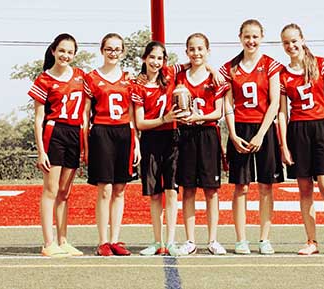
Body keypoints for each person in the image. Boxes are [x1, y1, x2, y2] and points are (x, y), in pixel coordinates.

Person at [278, 23, 324, 255]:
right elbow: (282, 112)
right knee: (304, 188)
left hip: (321, 127)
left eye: (294, 41)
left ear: (303, 40)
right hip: (297, 131)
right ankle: (311, 241)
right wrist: (284, 144)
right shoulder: (283, 75)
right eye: (286, 43)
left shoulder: (322, 65)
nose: (291, 46)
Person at [220, 19, 284, 255]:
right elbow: (227, 103)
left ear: (262, 37)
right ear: (240, 37)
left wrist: (261, 133)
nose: (251, 41)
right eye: (247, 36)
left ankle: (264, 238)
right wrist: (233, 134)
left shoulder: (271, 65)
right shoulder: (230, 68)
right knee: (241, 187)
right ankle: (241, 239)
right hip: (240, 129)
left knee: (266, 186)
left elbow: (275, 102)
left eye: (255, 36)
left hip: (264, 130)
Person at [83, 33, 140, 256]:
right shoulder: (92, 78)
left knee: (120, 188)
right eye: (109, 49)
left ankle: (116, 239)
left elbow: (134, 114)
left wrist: (136, 141)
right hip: (101, 131)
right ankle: (103, 241)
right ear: (102, 50)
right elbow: (86, 113)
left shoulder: (130, 79)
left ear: (123, 52)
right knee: (104, 189)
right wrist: (86, 143)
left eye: (117, 49)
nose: (113, 53)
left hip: (124, 132)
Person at [28, 33, 85, 257]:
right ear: (53, 51)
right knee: (51, 190)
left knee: (65, 191)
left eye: (70, 52)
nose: (65, 55)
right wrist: (41, 151)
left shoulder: (81, 76)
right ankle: (48, 242)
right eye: (62, 50)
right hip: (54, 132)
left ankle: (63, 240)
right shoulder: (44, 79)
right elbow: (38, 118)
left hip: (75, 132)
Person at [131, 41, 188, 256]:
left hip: (172, 139)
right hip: (151, 140)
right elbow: (140, 123)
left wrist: (211, 69)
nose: (156, 62)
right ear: (145, 58)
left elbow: (193, 63)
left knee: (171, 191)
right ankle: (157, 242)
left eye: (160, 58)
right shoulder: (138, 86)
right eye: (152, 57)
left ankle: (171, 241)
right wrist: (164, 118)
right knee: (155, 194)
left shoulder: (170, 76)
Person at [176, 33, 228, 255]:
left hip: (207, 134)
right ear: (187, 52)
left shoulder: (214, 79)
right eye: (192, 49)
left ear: (208, 51)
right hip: (186, 135)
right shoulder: (180, 77)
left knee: (211, 190)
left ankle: (213, 239)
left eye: (200, 49)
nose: (196, 53)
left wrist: (198, 117)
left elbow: (219, 111)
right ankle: (190, 240)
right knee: (188, 189)